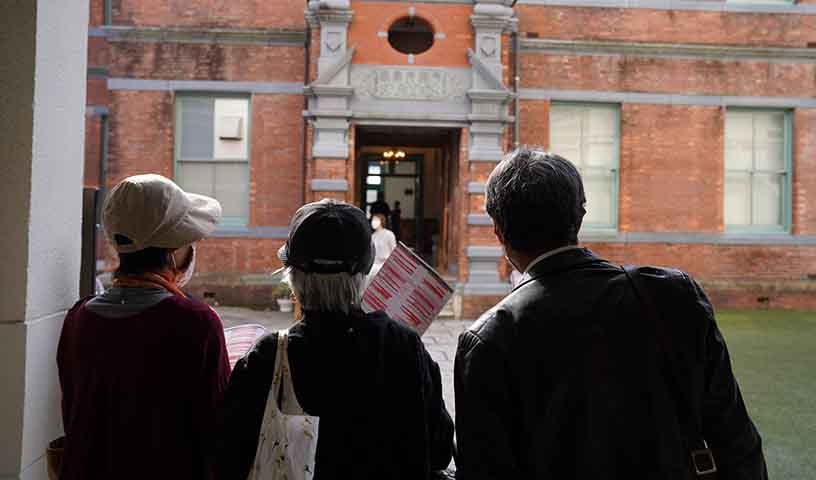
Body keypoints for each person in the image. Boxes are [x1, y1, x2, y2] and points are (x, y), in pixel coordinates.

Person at [454, 148, 767, 480]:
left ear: (498, 230)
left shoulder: (487, 341)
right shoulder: (673, 295)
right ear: (581, 213)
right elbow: (735, 440)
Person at [216, 199, 454, 479]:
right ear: (364, 275)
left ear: (293, 278)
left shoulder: (268, 356)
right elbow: (439, 449)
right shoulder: (404, 346)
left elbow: (229, 455)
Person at [57, 174, 230, 480]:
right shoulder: (196, 323)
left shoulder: (77, 319)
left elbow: (73, 414)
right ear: (174, 251)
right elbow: (218, 427)